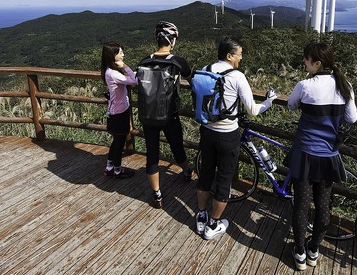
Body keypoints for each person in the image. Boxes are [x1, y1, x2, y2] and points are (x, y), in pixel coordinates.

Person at [195, 37, 277, 240]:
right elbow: (252, 110)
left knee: (205, 174)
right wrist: (269, 101)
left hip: (206, 131)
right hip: (227, 135)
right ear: (229, 55)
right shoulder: (237, 76)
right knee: (224, 179)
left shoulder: (205, 69)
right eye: (239, 54)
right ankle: (213, 225)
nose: (241, 58)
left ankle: (201, 216)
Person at [286, 42, 357, 270]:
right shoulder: (344, 86)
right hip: (328, 155)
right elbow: (352, 118)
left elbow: (290, 105)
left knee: (301, 205)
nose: (304, 63)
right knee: (323, 205)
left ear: (317, 63)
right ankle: (314, 249)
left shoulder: (305, 85)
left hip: (305, 153)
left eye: (306, 59)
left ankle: (299, 253)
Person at [140, 21, 193, 209]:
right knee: (177, 146)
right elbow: (191, 79)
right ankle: (187, 171)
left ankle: (157, 193)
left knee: (151, 154)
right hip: (169, 115)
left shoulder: (144, 61)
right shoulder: (177, 61)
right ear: (172, 40)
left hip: (148, 116)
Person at [100, 41, 137, 178]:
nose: (123, 54)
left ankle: (109, 167)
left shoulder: (108, 71)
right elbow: (135, 81)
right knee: (119, 142)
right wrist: (126, 67)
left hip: (114, 111)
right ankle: (117, 171)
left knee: (116, 141)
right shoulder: (114, 74)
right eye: (120, 52)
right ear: (112, 55)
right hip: (119, 112)